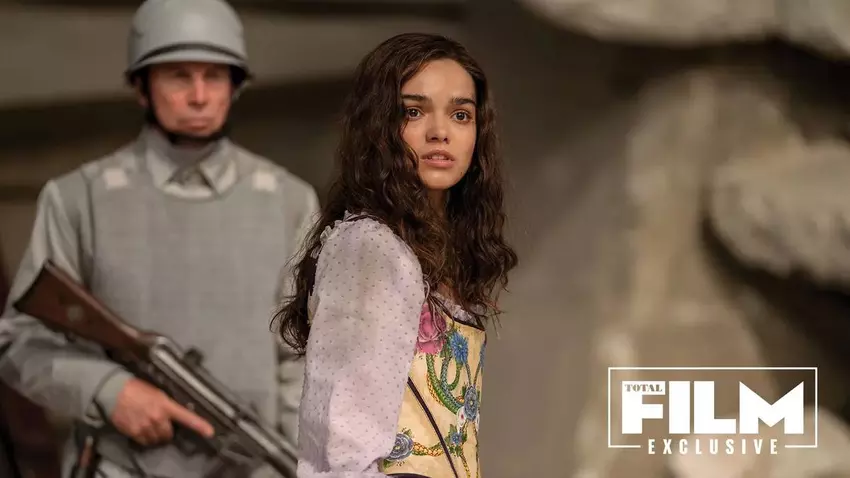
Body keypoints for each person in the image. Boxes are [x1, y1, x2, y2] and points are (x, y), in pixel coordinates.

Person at [0, 0, 319, 476]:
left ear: (235, 86)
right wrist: (109, 390)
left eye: (215, 76)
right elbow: (19, 342)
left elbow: (304, 357)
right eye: (178, 76)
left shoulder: (289, 200)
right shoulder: (77, 198)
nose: (199, 95)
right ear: (140, 87)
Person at [274, 33, 518, 477]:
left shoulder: (436, 250)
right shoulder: (370, 246)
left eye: (461, 115)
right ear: (379, 126)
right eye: (414, 111)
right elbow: (342, 449)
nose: (440, 132)